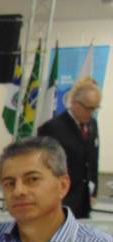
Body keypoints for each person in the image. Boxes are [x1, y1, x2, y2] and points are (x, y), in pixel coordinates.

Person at [37, 78, 101, 219]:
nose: (91, 113)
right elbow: (44, 165)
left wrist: (94, 190)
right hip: (61, 200)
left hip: (83, 201)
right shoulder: (52, 128)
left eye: (95, 108)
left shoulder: (92, 124)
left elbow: (93, 158)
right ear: (74, 103)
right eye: (88, 108)